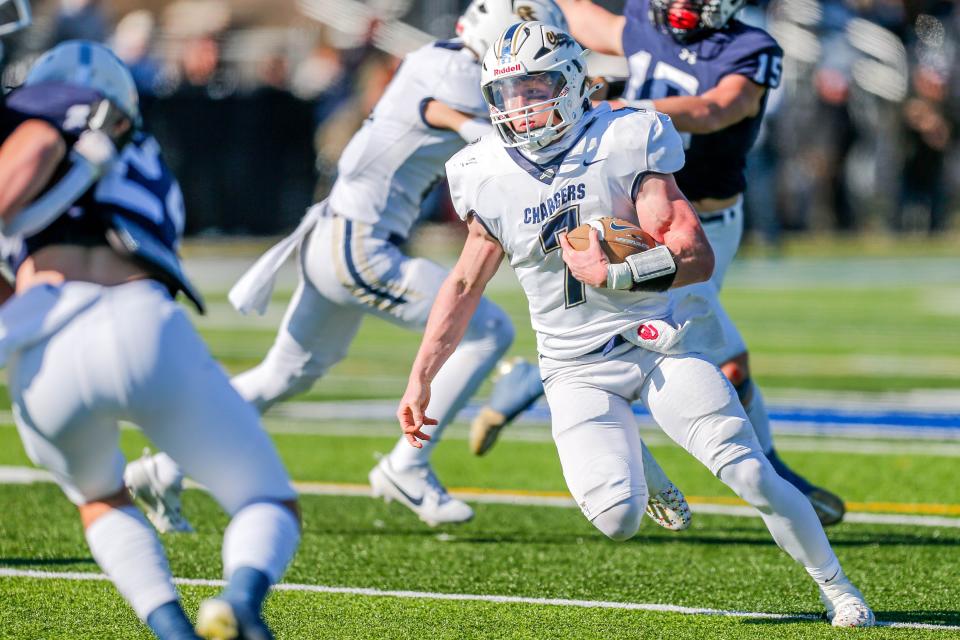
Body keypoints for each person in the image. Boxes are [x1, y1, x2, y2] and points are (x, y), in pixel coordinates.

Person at [398, 21, 874, 627]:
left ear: (572, 83)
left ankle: (838, 589)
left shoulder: (624, 136)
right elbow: (464, 282)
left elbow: (695, 254)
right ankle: (642, 464)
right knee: (617, 519)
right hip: (573, 368)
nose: (523, 107)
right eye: (510, 93)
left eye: (536, 86)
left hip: (656, 343)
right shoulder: (484, 171)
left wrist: (619, 273)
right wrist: (421, 378)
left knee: (750, 471)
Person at [126, 0, 564, 530]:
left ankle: (165, 466)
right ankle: (408, 463)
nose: (538, 77)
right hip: (360, 242)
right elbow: (452, 115)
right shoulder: (458, 70)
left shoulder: (444, 58)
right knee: (486, 330)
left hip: (341, 232)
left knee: (281, 375)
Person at [468, 0, 847, 527]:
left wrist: (639, 107)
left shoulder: (750, 48)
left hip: (708, 222)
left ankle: (539, 379)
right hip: (637, 215)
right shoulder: (644, 22)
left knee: (688, 344)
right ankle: (769, 470)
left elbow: (717, 109)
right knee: (705, 350)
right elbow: (576, 21)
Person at [0, 40, 300, 639]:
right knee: (267, 501)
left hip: (45, 344)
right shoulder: (148, 157)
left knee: (101, 500)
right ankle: (239, 601)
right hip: (140, 322)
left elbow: (36, 146)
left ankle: (173, 631)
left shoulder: (56, 108)